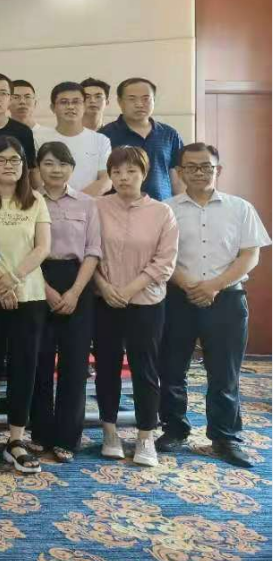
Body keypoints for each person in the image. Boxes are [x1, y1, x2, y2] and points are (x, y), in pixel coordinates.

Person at [159, 143, 270, 468]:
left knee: (224, 373)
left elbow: (250, 254)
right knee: (172, 369)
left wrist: (214, 286)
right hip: (178, 298)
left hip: (227, 299)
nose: (199, 172)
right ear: (179, 172)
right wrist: (189, 285)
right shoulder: (166, 210)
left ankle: (225, 437)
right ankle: (174, 430)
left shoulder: (240, 208)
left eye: (206, 166)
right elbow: (161, 256)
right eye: (191, 167)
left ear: (217, 170)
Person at [0, 135, 52, 474]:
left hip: (29, 295)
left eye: (15, 160)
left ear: (24, 165)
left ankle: (16, 437)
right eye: (0, 160)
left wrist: (13, 279)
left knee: (24, 366)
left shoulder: (36, 200)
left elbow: (42, 247)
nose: (8, 166)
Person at [93, 146, 178, 467]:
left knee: (145, 369)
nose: (123, 177)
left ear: (144, 173)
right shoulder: (97, 207)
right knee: (107, 367)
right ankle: (109, 431)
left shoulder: (162, 212)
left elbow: (165, 262)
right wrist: (104, 287)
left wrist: (128, 290)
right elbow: (88, 252)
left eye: (131, 171)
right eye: (116, 172)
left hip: (146, 302)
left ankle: (145, 436)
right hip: (104, 300)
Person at [29, 141, 102, 463]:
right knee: (39, 360)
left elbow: (94, 251)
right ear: (38, 169)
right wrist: (46, 290)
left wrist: (74, 292)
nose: (55, 170)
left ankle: (67, 438)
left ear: (72, 169)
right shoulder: (30, 201)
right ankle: (40, 433)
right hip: (37, 279)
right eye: (48, 163)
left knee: (74, 364)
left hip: (78, 280)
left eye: (62, 164)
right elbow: (25, 250)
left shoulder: (88, 204)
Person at [98, 78, 185, 200]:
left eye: (146, 99)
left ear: (154, 100)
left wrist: (180, 204)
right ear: (120, 102)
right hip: (118, 208)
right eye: (132, 99)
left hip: (162, 206)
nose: (139, 104)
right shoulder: (104, 135)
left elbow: (178, 178)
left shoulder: (169, 134)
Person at [34, 81, 112, 195]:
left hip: (89, 203)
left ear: (84, 106)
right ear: (53, 108)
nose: (70, 107)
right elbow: (35, 177)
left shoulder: (101, 140)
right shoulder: (38, 138)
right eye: (64, 102)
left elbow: (106, 180)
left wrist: (76, 201)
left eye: (76, 102)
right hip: (48, 203)